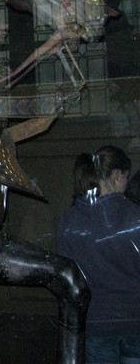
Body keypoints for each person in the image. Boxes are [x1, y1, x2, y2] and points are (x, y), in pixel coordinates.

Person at [57, 145, 140, 364]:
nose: (127, 183)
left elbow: (65, 273)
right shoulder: (135, 215)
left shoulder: (71, 218)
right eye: (126, 176)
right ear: (116, 175)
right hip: (136, 319)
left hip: (96, 320)